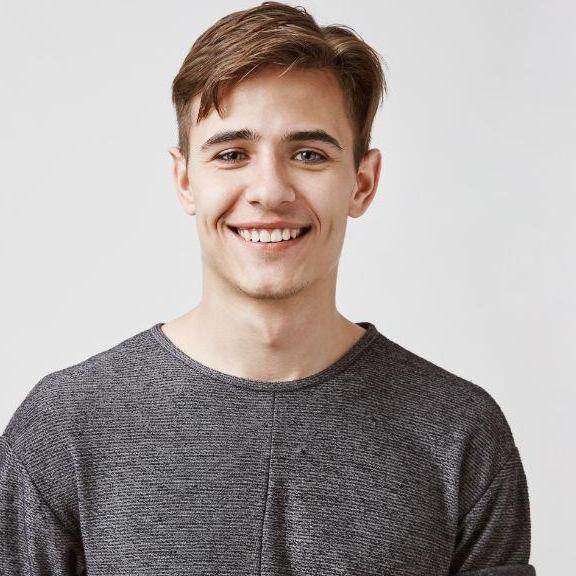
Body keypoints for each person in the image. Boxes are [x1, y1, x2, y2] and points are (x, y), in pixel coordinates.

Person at [0, 2, 536, 574]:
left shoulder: (460, 434)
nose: (270, 191)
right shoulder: (64, 429)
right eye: (232, 154)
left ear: (362, 182)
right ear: (185, 179)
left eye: (308, 154)